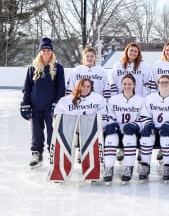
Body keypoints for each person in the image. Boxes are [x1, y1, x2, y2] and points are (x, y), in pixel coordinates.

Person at [21, 37, 66, 168]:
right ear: (40, 51)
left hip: (50, 107)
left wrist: (57, 104)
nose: (46, 52)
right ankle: (37, 154)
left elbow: (61, 88)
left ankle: (53, 154)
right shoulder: (32, 68)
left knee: (52, 132)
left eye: (49, 50)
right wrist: (25, 104)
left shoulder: (58, 68)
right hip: (36, 106)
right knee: (37, 132)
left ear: (52, 52)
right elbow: (27, 88)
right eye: (44, 49)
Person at [51, 78, 107, 181]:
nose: (85, 88)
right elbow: (57, 118)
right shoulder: (66, 100)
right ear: (78, 86)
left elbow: (102, 118)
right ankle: (61, 170)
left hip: (90, 133)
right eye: (83, 86)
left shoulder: (98, 99)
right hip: (71, 132)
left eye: (88, 86)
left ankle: (92, 169)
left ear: (91, 88)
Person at [138, 74, 169, 181]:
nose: (164, 84)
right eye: (161, 82)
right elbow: (144, 115)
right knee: (145, 139)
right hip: (154, 128)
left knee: (166, 138)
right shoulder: (150, 98)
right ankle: (145, 166)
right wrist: (148, 123)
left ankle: (167, 166)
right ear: (158, 84)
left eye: (166, 82)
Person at [103, 74, 145, 183]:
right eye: (125, 84)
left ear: (134, 85)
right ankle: (108, 168)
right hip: (117, 129)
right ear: (121, 85)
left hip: (131, 130)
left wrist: (135, 125)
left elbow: (143, 118)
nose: (127, 86)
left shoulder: (141, 100)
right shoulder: (113, 99)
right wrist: (111, 124)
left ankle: (128, 168)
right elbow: (110, 115)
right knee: (110, 139)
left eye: (130, 84)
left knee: (129, 139)